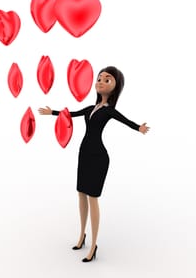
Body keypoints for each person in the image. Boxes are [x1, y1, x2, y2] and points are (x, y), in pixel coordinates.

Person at [38, 66, 150, 263]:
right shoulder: (91, 109)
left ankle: (94, 244)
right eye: (99, 78)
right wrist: (52, 112)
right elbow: (71, 114)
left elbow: (125, 121)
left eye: (107, 80)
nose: (100, 81)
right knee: (81, 193)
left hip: (99, 157)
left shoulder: (109, 111)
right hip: (84, 153)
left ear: (115, 88)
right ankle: (82, 236)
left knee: (92, 197)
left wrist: (139, 128)